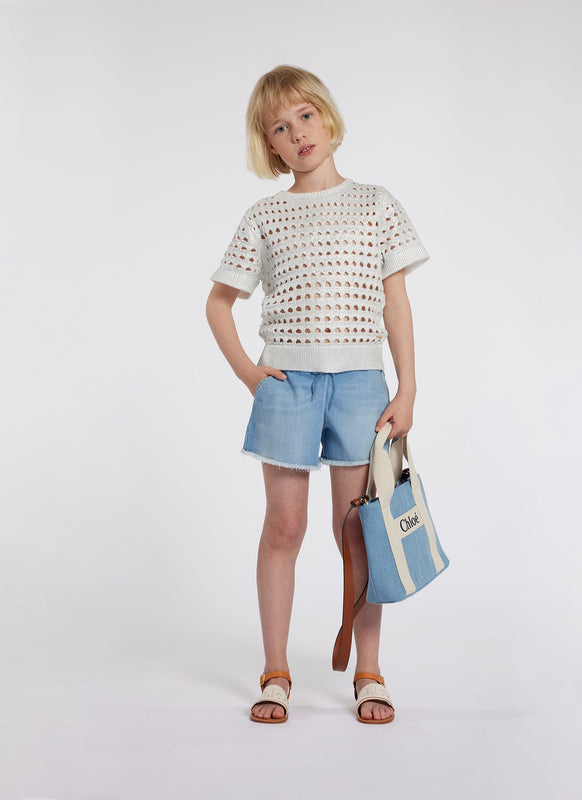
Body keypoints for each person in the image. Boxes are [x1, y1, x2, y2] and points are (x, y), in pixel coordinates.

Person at [205, 65, 429, 725]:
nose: (297, 133)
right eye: (280, 127)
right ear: (269, 146)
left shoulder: (377, 204)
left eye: (305, 116)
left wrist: (407, 387)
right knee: (285, 527)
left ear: (327, 118)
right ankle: (275, 671)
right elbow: (219, 302)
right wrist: (250, 373)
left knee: (357, 529)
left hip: (361, 384)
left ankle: (369, 671)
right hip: (287, 386)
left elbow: (395, 303)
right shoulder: (265, 215)